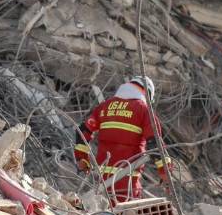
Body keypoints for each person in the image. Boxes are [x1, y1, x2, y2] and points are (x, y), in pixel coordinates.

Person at [72, 76, 173, 205]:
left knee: (101, 214)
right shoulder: (143, 110)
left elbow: (83, 131)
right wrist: (165, 173)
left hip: (101, 183)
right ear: (147, 93)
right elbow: (155, 144)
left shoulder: (105, 106)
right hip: (127, 184)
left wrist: (82, 159)